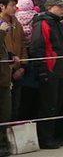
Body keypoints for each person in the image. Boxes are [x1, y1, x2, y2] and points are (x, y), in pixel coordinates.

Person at [30, 0, 63, 149]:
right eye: (59, 6)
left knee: (56, 105)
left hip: (60, 70)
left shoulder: (58, 24)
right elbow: (37, 48)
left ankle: (52, 135)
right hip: (50, 70)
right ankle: (45, 138)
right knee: (48, 106)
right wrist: (42, 71)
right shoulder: (44, 23)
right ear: (50, 7)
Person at [0, 0, 28, 120]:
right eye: (11, 5)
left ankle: (12, 135)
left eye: (16, 5)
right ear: (2, 6)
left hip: (17, 69)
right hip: (3, 71)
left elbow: (23, 45)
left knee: (14, 106)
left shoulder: (17, 24)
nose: (14, 8)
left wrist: (23, 66)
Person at [0, 14, 20, 157]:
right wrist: (1, 32)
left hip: (4, 79)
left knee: (5, 113)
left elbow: (2, 48)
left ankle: (2, 143)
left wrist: (11, 55)